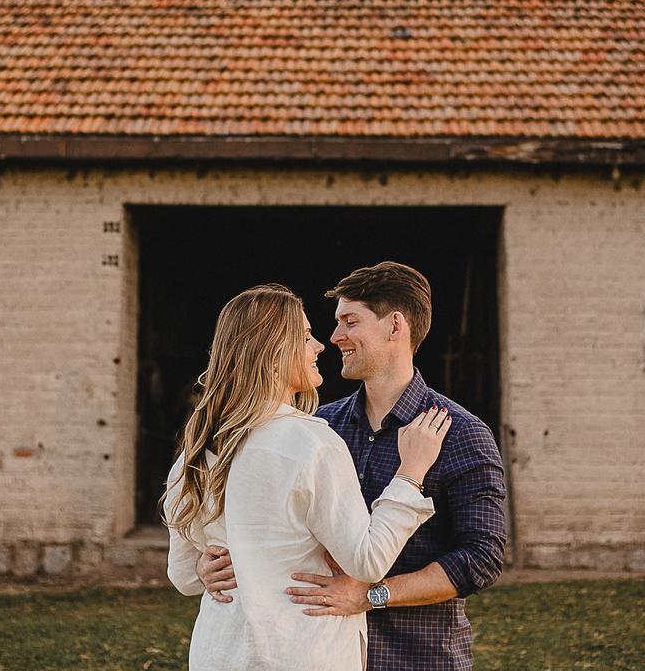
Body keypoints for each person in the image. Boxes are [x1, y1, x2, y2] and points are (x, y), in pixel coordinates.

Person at [198, 263, 508, 671]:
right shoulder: (321, 428)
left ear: (395, 326)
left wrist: (373, 594)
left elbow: (481, 557)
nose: (334, 337)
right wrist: (209, 562)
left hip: (416, 656)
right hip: (321, 650)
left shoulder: (459, 433)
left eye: (350, 321)